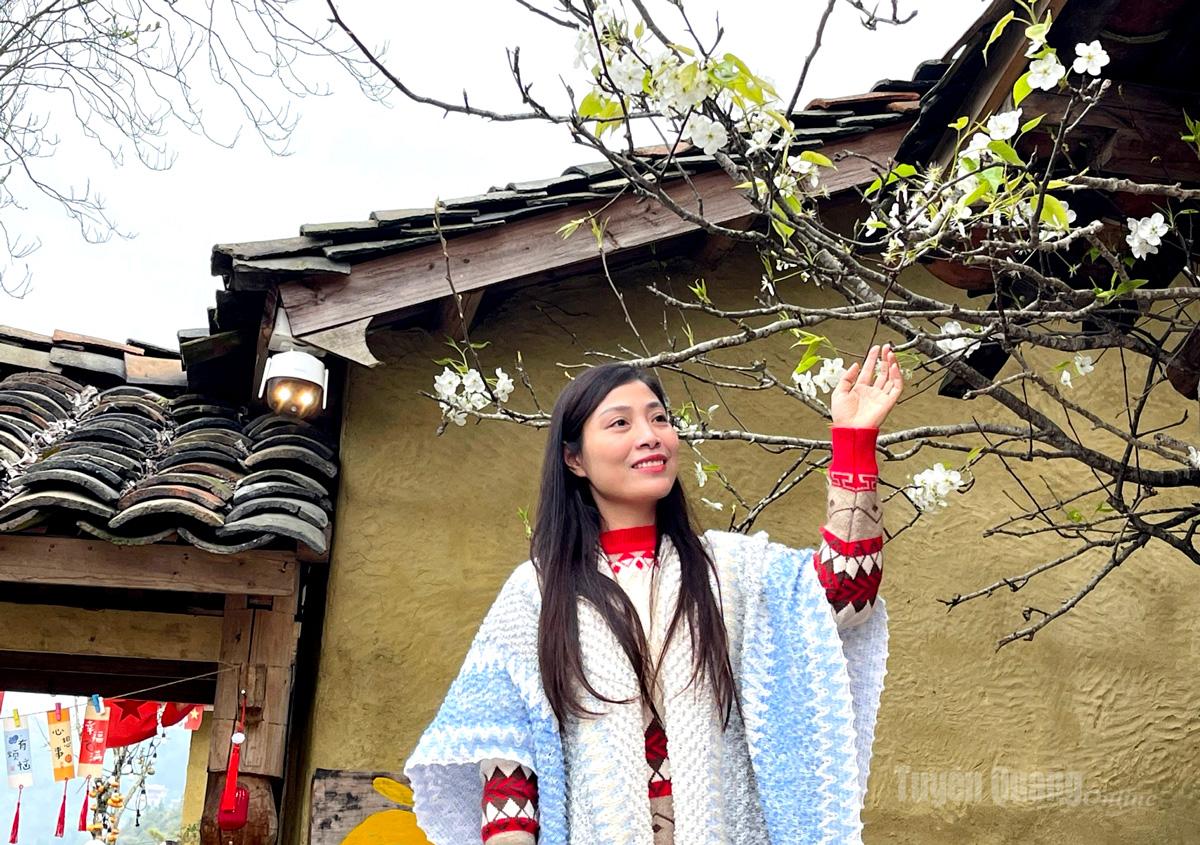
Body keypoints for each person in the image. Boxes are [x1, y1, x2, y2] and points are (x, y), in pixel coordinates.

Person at [405, 345, 904, 845]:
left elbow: (845, 593)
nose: (650, 436)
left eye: (660, 419)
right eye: (620, 424)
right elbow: (506, 755)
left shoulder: (731, 571)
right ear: (573, 458)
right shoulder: (535, 594)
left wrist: (854, 440)